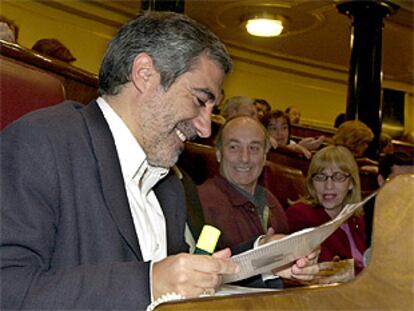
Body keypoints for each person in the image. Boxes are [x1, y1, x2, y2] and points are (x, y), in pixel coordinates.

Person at [1, 12, 319, 310]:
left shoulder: (168, 183)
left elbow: (181, 275)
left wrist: (267, 258)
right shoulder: (41, 142)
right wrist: (149, 283)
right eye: (199, 100)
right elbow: (7, 288)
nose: (205, 128)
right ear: (145, 74)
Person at [197, 116, 289, 250]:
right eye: (234, 147)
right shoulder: (203, 201)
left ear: (264, 157)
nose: (244, 158)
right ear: (218, 154)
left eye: (254, 148)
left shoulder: (272, 202)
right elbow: (201, 262)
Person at [286, 145, 367, 274]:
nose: (328, 185)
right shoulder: (300, 215)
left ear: (351, 183)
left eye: (338, 177)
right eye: (320, 177)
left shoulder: (355, 218)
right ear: (311, 182)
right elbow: (325, 271)